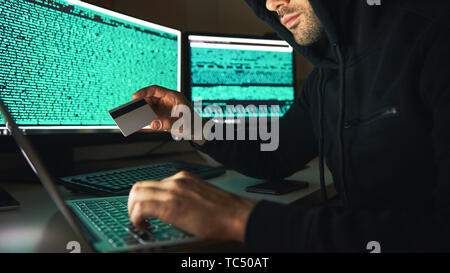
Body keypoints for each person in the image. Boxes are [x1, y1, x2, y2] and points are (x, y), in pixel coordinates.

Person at [127, 0, 450, 252]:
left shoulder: (436, 37)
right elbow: (274, 154)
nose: (269, 5)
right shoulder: (324, 78)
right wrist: (191, 122)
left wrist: (241, 219)